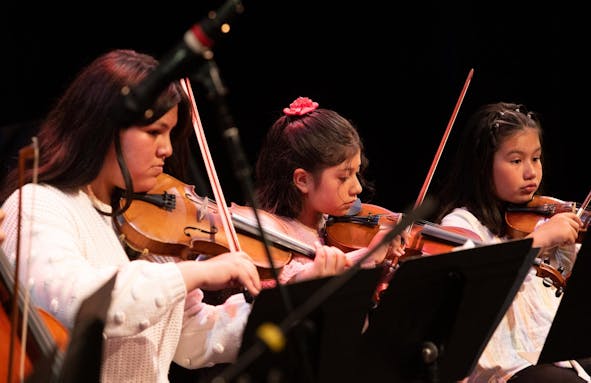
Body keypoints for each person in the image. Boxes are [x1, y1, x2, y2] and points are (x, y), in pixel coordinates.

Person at [0, 49, 344, 383]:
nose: (166, 149)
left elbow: (195, 339)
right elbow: (81, 304)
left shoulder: (146, 220)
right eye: (153, 132)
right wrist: (195, 272)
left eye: (169, 133)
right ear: (102, 127)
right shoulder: (37, 205)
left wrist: (296, 295)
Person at [435, 101, 591, 382]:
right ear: (481, 166)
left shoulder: (549, 211)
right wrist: (536, 243)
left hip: (563, 355)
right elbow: (471, 298)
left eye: (536, 158)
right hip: (506, 366)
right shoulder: (461, 225)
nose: (530, 172)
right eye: (516, 161)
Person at [251, 96, 405, 286]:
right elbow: (289, 289)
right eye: (343, 177)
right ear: (303, 180)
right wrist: (370, 256)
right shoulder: (271, 244)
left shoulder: (333, 229)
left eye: (356, 173)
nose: (357, 188)